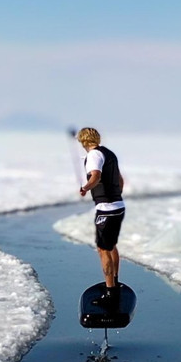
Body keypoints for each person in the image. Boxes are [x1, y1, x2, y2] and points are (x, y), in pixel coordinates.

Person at [77, 127, 125, 309]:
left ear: (83, 141)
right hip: (118, 206)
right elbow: (120, 181)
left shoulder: (94, 156)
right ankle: (115, 282)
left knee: (102, 249)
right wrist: (114, 195)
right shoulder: (109, 154)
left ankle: (110, 293)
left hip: (106, 209)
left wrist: (86, 188)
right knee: (111, 245)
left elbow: (96, 176)